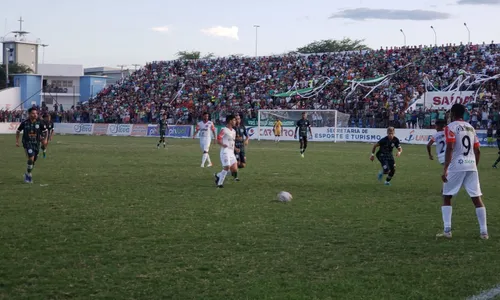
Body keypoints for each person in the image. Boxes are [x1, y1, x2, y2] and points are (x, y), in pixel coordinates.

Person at [439, 103, 488, 239]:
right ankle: (484, 232)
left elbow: (450, 147)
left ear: (453, 114)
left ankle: (447, 230)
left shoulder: (451, 127)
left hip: (456, 165)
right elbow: (477, 150)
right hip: (471, 165)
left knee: (447, 196)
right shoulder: (470, 127)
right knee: (477, 198)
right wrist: (474, 165)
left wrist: (445, 168)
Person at [16, 107, 48, 183]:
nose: (35, 115)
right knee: (31, 158)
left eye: (36, 113)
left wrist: (45, 139)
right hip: (27, 143)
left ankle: (27, 173)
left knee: (33, 161)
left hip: (36, 143)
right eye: (33, 113)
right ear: (29, 114)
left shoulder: (40, 122)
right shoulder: (25, 122)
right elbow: (18, 131)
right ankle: (28, 175)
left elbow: (45, 131)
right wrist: (17, 141)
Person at [214, 115, 238, 188]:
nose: (235, 121)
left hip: (231, 152)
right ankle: (219, 184)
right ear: (230, 121)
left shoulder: (234, 131)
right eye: (234, 120)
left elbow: (232, 142)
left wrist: (235, 148)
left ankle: (218, 175)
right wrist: (222, 144)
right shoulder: (224, 129)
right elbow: (218, 138)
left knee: (234, 170)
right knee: (227, 167)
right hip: (225, 151)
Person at [232, 114, 249, 181]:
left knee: (243, 165)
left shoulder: (242, 127)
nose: (237, 120)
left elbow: (247, 136)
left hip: (242, 147)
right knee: (237, 163)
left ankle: (231, 170)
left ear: (240, 120)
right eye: (236, 119)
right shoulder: (232, 128)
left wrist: (247, 140)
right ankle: (235, 177)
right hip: (235, 147)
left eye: (238, 119)